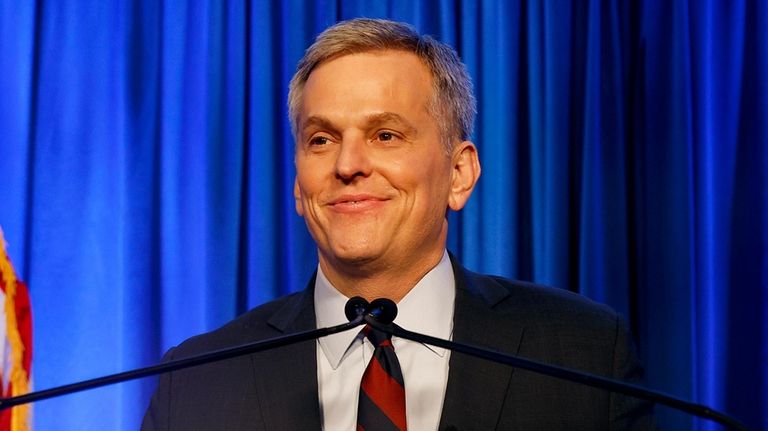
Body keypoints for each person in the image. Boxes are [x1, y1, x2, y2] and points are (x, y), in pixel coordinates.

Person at [142, 18, 655, 430]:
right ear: (299, 185)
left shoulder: (583, 354)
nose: (348, 165)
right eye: (321, 139)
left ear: (459, 173)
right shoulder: (197, 380)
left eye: (385, 135)